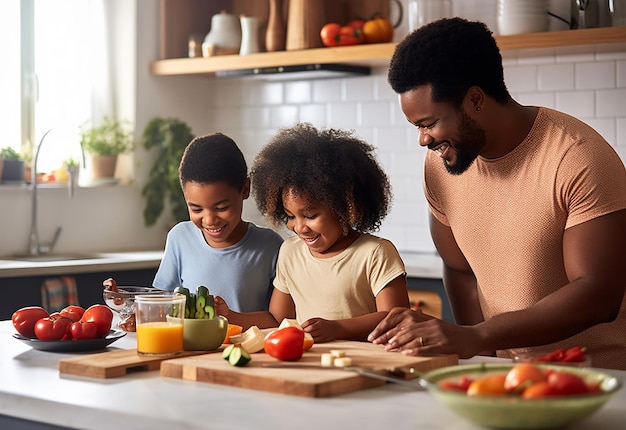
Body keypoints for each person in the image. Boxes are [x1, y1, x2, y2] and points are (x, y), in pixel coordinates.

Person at [368, 18, 626, 370]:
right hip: (507, 375)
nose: (423, 140)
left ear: (475, 99)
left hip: (595, 380)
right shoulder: (441, 167)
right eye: (417, 127)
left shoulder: (577, 156)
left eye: (429, 123)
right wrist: (480, 359)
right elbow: (460, 270)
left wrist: (479, 336)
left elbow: (598, 293)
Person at [215, 123, 410, 342]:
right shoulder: (290, 252)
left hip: (365, 364)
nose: (299, 228)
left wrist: (337, 329)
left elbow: (397, 319)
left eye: (310, 215)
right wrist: (230, 316)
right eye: (290, 216)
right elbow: (276, 318)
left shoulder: (375, 253)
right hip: (311, 366)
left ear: (346, 206)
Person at [150, 132, 284, 312]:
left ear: (245, 189)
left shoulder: (270, 246)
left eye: (221, 208)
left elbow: (278, 319)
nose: (210, 220)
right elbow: (161, 305)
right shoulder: (179, 238)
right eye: (197, 209)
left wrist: (230, 318)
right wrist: (130, 308)